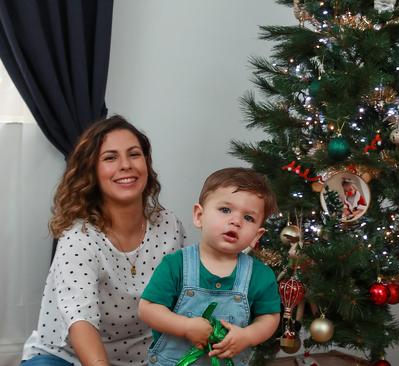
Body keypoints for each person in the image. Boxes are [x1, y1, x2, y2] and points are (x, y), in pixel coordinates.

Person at [21, 115, 185, 366]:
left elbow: (184, 300)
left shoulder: (169, 226)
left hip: (145, 358)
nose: (125, 165)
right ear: (92, 172)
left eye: (134, 154)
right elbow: (81, 320)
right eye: (110, 158)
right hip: (66, 357)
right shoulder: (78, 238)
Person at [138, 167, 281, 365]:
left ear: (257, 236)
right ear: (199, 216)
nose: (236, 221)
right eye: (225, 210)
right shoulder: (175, 265)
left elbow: (269, 317)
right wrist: (185, 326)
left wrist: (248, 336)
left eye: (249, 218)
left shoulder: (260, 275)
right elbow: (148, 309)